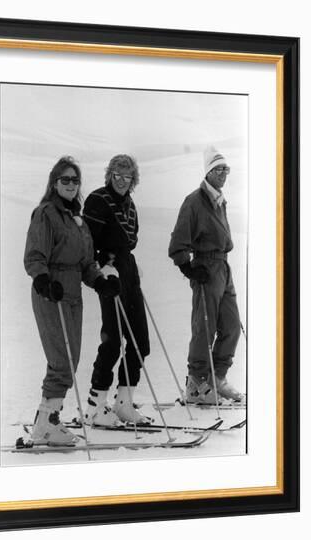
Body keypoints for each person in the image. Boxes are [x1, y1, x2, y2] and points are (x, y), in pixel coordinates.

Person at [24, 156, 121, 446]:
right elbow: (34, 255)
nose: (70, 184)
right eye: (65, 179)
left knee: (71, 359)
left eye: (74, 180)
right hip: (51, 292)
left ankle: (48, 420)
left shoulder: (78, 221)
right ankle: (46, 424)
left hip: (72, 295)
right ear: (54, 183)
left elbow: (86, 264)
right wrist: (43, 280)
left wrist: (101, 281)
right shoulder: (45, 214)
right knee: (61, 360)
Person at [168, 146, 245, 404]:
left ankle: (217, 378)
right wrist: (188, 267)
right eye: (218, 169)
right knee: (205, 327)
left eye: (226, 169)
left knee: (231, 326)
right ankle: (197, 383)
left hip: (223, 267)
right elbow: (178, 241)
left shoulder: (220, 200)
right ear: (208, 172)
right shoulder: (194, 201)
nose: (223, 173)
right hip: (206, 268)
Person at [82, 154, 152, 426]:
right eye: (117, 175)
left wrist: (129, 267)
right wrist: (103, 266)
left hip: (128, 271)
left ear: (134, 179)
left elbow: (129, 241)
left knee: (140, 342)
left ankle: (123, 402)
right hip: (108, 273)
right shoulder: (98, 200)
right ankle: (95, 406)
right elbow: (88, 241)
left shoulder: (130, 205)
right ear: (109, 175)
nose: (122, 181)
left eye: (127, 177)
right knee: (112, 341)